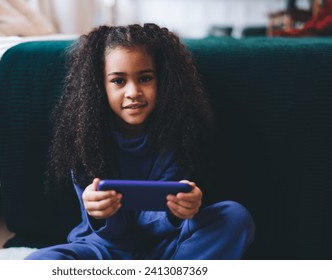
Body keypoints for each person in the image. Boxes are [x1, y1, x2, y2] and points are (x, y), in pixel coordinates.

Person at [26, 23, 255, 260]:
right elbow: (114, 233)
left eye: (145, 78)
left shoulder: (178, 136)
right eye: (118, 81)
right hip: (104, 250)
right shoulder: (86, 139)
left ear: (163, 80)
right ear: (98, 86)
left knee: (234, 217)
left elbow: (153, 223)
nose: (133, 91)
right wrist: (97, 211)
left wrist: (178, 210)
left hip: (168, 247)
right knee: (38, 263)